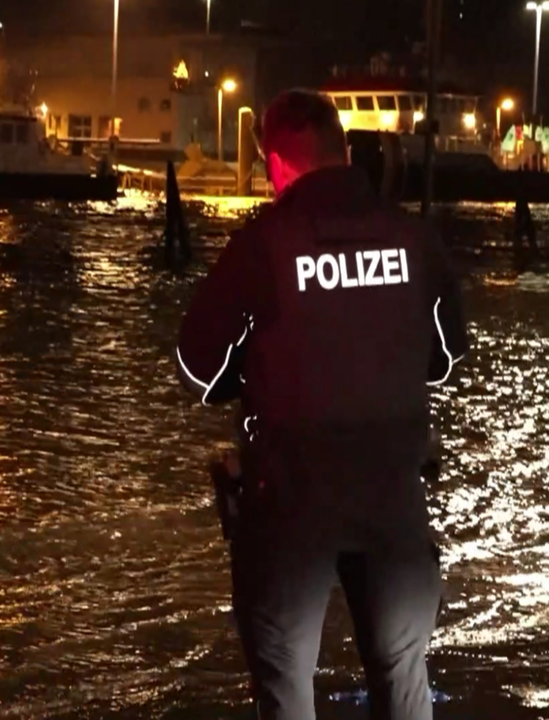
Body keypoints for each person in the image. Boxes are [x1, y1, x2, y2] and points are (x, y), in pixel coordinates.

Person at [174, 89, 469, 720]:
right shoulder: (412, 237)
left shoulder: (263, 243)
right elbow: (445, 357)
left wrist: (265, 368)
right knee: (402, 677)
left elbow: (199, 370)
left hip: (288, 501)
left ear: (275, 161)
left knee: (286, 687)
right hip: (394, 494)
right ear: (343, 148)